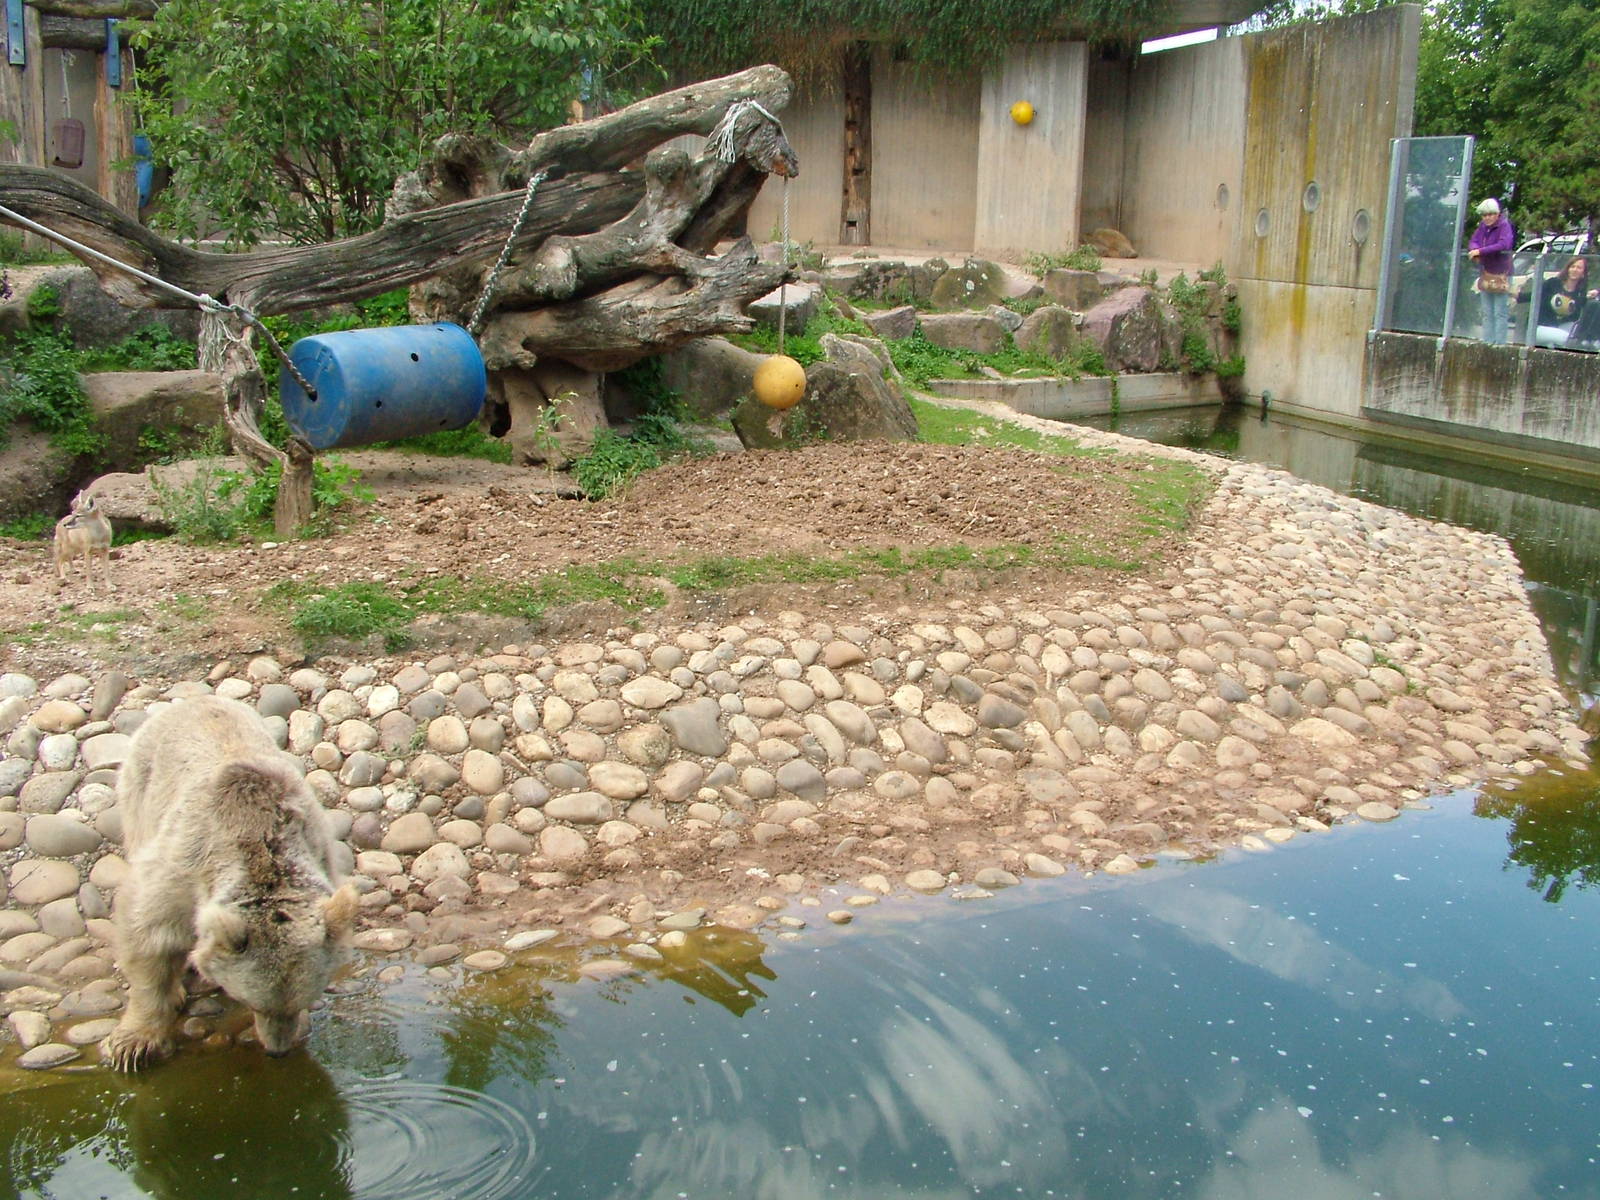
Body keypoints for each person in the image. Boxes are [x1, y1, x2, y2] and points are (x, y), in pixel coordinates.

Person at [1467, 197, 1515, 344]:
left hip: (1502, 274)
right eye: (1484, 215)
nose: (1487, 218)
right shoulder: (1482, 227)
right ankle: (1488, 341)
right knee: (1487, 311)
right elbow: (1473, 240)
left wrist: (1480, 251)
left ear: (1497, 214)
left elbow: (1503, 245)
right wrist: (1474, 249)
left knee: (1499, 311)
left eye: (1490, 214)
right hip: (1486, 272)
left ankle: (1500, 344)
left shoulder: (1504, 226)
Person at [1532, 255, 1595, 348]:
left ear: (1583, 273)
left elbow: (1574, 316)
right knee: (1569, 339)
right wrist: (1515, 295)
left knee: (1582, 337)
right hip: (1540, 327)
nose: (1574, 269)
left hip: (1559, 326)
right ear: (1567, 269)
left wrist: (1585, 298)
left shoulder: (1580, 292)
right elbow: (1533, 295)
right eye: (1572, 266)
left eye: (1579, 268)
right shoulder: (1553, 283)